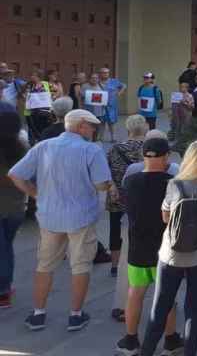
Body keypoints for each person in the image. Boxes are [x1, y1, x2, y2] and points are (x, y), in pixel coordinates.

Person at [8, 109, 111, 331]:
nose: (94, 129)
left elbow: (16, 174)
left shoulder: (43, 146)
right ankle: (75, 315)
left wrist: (36, 194)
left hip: (49, 216)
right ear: (81, 125)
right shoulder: (91, 150)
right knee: (80, 265)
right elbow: (102, 184)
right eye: (92, 125)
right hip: (81, 216)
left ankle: (38, 313)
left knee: (45, 264)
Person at [140, 140, 197, 356]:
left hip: (171, 254)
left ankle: (147, 352)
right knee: (193, 310)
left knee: (159, 309)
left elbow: (165, 217)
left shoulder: (175, 184)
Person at [116, 137, 184, 356]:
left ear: (144, 156)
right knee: (166, 296)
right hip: (165, 248)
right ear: (166, 157)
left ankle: (130, 339)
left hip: (137, 246)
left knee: (135, 292)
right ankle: (171, 339)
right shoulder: (174, 183)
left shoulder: (130, 181)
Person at [106, 115, 149, 277]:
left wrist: (112, 187)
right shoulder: (150, 148)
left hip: (118, 195)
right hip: (142, 198)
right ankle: (139, 261)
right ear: (144, 128)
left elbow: (106, 171)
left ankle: (115, 265)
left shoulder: (115, 148)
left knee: (115, 229)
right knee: (141, 229)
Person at [0, 109, 27, 309]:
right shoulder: (22, 149)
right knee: (6, 246)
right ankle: (4, 286)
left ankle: (3, 290)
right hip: (15, 207)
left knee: (4, 249)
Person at [23, 70, 54, 144]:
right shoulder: (29, 85)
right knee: (31, 129)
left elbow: (56, 92)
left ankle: (42, 142)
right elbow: (23, 95)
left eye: (34, 76)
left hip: (44, 112)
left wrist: (52, 96)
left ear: (39, 77)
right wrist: (25, 96)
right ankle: (32, 144)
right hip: (30, 112)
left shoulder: (46, 84)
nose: (31, 77)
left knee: (43, 129)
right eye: (31, 75)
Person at [99, 67, 127, 143]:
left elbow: (124, 85)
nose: (105, 74)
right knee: (101, 123)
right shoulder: (97, 82)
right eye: (103, 73)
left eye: (106, 73)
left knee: (112, 123)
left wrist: (119, 93)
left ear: (108, 74)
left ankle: (113, 137)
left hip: (111, 106)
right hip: (101, 106)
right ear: (100, 74)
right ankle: (101, 137)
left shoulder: (114, 81)